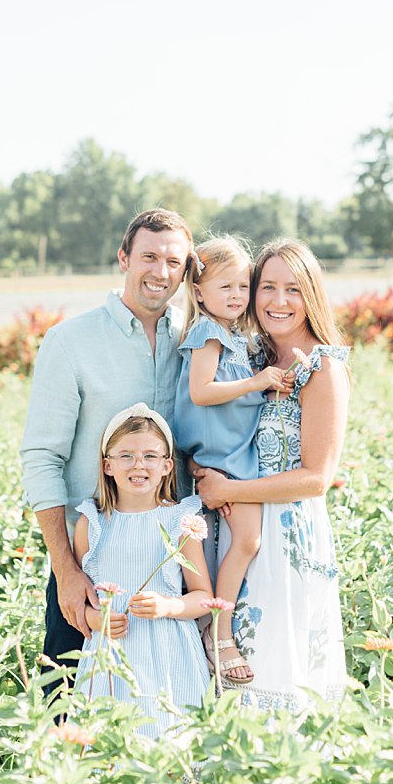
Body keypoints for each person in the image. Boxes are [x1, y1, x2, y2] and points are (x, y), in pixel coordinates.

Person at [20, 208, 193, 683]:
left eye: (173, 262)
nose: (160, 272)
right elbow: (42, 458)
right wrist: (67, 571)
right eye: (149, 257)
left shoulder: (197, 343)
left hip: (172, 565)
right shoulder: (70, 342)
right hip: (91, 566)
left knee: (169, 709)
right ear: (124, 258)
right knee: (67, 712)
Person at [193, 238, 350, 711]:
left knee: (275, 677)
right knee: (224, 687)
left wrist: (229, 488)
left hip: (286, 539)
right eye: (268, 288)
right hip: (235, 527)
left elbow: (316, 478)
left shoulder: (323, 368)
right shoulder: (250, 356)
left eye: (293, 290)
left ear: (312, 297)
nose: (278, 302)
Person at [172, 236, 290, 687]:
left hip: (237, 454)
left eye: (243, 286)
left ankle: (214, 621)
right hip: (221, 456)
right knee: (247, 540)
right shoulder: (207, 332)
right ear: (199, 292)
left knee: (234, 543)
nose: (237, 296)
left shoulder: (238, 339)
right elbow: (202, 392)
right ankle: (218, 627)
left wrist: (269, 383)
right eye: (225, 287)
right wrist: (256, 382)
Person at [73, 404, 214, 736]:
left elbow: (203, 597)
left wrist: (168, 605)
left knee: (170, 740)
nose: (138, 465)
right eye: (126, 456)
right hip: (110, 655)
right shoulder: (92, 523)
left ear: (167, 466)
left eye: (150, 456)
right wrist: (96, 620)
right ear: (107, 466)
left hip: (168, 650)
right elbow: (83, 600)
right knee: (109, 742)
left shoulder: (180, 521)